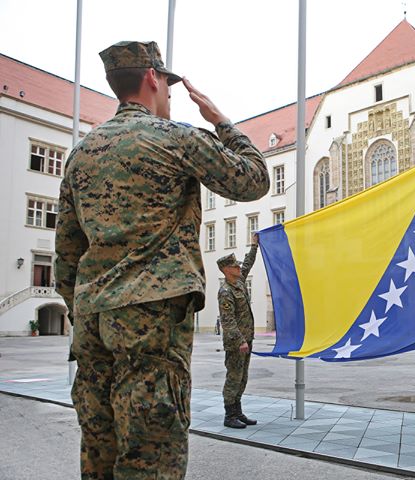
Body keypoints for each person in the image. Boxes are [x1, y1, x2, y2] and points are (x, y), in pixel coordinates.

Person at [54, 40, 269, 479]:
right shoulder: (176, 138)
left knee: (99, 447)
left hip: (92, 321)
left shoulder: (81, 153)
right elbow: (255, 179)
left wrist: (84, 307)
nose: (170, 94)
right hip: (150, 319)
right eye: (168, 84)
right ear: (152, 78)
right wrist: (222, 122)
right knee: (151, 453)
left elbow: (66, 254)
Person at [216, 232, 259, 429]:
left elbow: (248, 264)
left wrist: (254, 246)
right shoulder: (226, 292)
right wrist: (240, 340)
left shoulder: (239, 282)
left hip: (246, 339)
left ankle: (238, 411)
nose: (239, 268)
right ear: (226, 270)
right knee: (233, 377)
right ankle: (229, 415)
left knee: (243, 377)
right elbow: (228, 321)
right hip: (236, 342)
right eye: (235, 266)